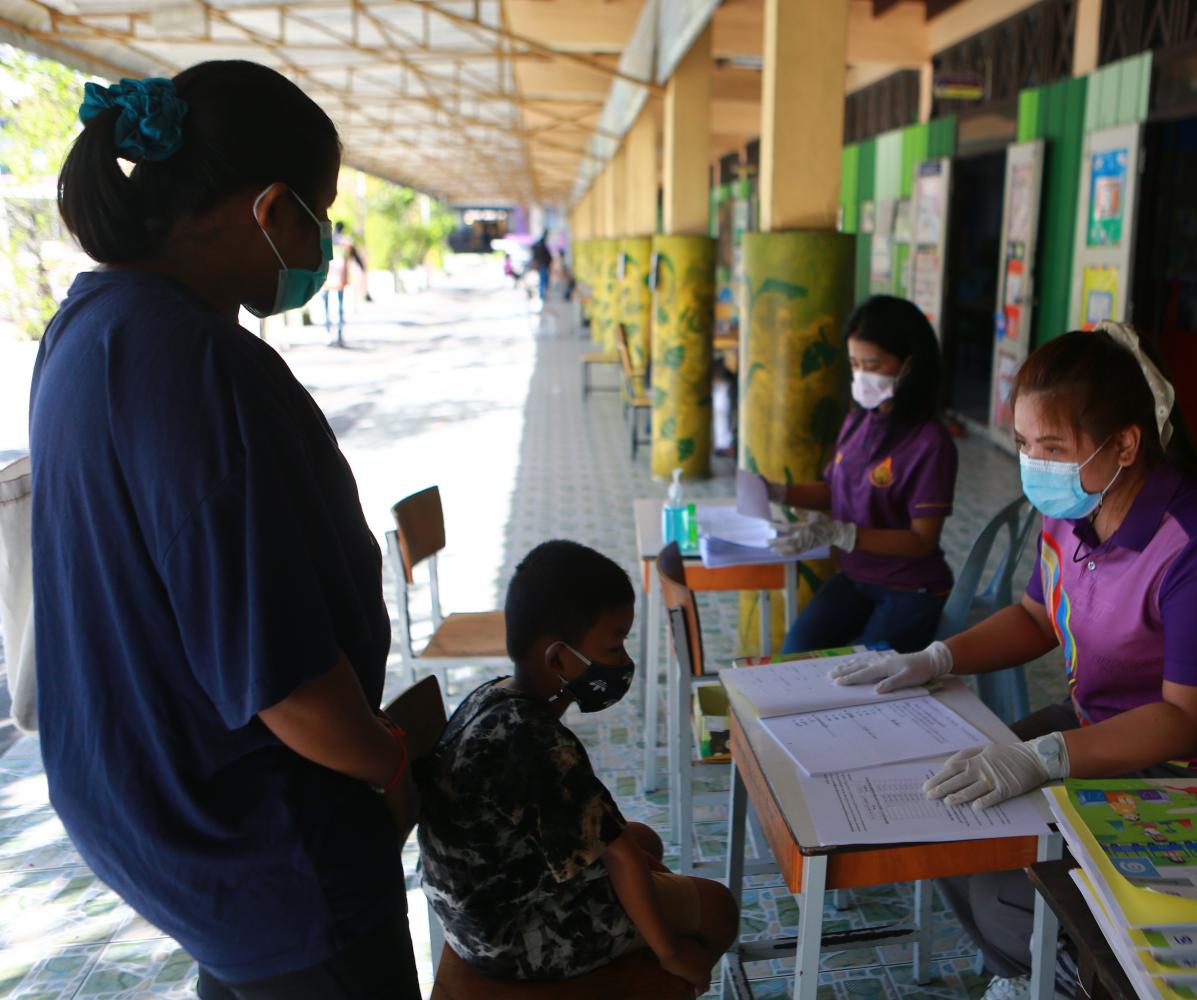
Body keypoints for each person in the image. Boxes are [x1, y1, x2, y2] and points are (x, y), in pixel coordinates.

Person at [32, 64, 419, 999]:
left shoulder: (84, 329)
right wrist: (400, 768)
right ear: (269, 208)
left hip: (181, 833)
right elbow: (285, 685)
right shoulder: (195, 362)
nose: (320, 242)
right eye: (317, 214)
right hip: (270, 842)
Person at [830, 323, 1197, 1000]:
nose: (1034, 464)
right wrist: (936, 656)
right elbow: (1037, 615)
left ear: (1126, 444)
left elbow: (1193, 719)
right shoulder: (1076, 509)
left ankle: (1076, 980)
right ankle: (1032, 971)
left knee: (1007, 887)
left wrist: (1044, 758)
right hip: (1095, 733)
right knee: (940, 819)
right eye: (1024, 444)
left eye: (1052, 447)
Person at [417, 540, 739, 997]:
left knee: (643, 839)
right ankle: (668, 972)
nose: (623, 661)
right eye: (614, 645)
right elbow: (619, 855)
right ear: (558, 658)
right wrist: (671, 951)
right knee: (717, 906)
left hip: (474, 911)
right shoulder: (537, 742)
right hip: (511, 937)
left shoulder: (494, 698)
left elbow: (608, 837)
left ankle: (652, 942)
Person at [766, 295, 958, 655]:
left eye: (872, 364)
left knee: (866, 672)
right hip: (855, 578)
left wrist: (844, 533)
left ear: (909, 364)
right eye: (854, 364)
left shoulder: (931, 443)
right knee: (795, 651)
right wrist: (779, 492)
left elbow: (921, 541)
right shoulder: (858, 421)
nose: (861, 375)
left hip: (909, 589)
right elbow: (834, 490)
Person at [321, 220, 365, 347]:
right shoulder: (346, 242)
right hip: (340, 280)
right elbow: (356, 257)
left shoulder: (328, 240)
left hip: (326, 279)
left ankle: (327, 333)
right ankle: (340, 335)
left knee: (326, 308)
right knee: (340, 308)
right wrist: (362, 269)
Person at [530, 229, 554, 302]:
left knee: (543, 280)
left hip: (542, 265)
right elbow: (546, 255)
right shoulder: (541, 244)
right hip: (543, 265)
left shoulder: (540, 244)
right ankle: (542, 296)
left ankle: (542, 295)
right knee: (543, 281)